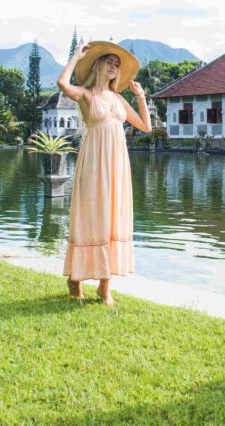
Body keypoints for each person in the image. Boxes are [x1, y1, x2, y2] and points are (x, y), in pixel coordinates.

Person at [57, 40, 151, 305]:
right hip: (94, 161)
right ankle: (75, 277)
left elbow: (145, 126)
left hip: (117, 163)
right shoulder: (88, 95)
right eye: (109, 61)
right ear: (98, 65)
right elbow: (63, 85)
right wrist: (75, 57)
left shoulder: (118, 98)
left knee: (113, 218)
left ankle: (104, 286)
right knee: (91, 216)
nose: (113, 66)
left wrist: (140, 96)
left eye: (117, 64)